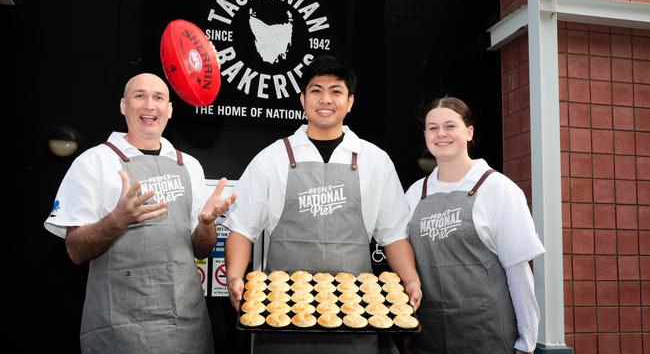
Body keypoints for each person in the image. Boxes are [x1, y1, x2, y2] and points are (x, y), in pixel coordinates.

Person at [223, 55, 422, 354]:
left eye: (336, 91)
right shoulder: (272, 158)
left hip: (358, 313)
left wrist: (410, 279)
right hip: (282, 314)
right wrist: (235, 276)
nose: (325, 99)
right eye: (316, 91)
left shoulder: (374, 160)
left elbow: (393, 234)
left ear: (350, 101)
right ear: (302, 99)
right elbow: (242, 228)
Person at [44, 73, 236, 354]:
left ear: (169, 110)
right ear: (123, 105)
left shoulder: (189, 165)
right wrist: (119, 219)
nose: (150, 105)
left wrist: (207, 224)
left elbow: (201, 249)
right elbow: (75, 250)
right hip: (120, 330)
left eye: (158, 97)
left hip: (186, 327)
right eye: (139, 96)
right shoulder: (95, 162)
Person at [405, 96, 545, 354]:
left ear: (469, 132)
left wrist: (527, 342)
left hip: (486, 333)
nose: (441, 134)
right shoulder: (415, 193)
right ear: (425, 135)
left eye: (450, 126)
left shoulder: (498, 189)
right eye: (433, 128)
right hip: (429, 335)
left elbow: (518, 270)